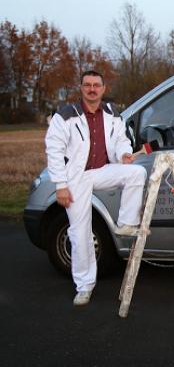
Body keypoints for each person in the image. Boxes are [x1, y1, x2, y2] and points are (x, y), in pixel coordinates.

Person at [45, 70, 147, 306]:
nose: (92, 89)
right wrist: (60, 185)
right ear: (81, 88)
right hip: (76, 178)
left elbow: (121, 139)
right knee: (80, 233)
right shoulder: (66, 115)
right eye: (87, 85)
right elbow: (54, 150)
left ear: (103, 89)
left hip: (103, 170)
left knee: (137, 173)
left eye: (96, 85)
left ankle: (126, 223)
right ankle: (84, 286)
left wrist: (124, 153)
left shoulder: (112, 113)